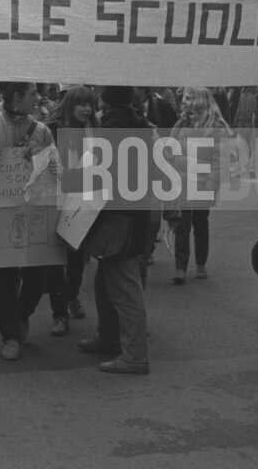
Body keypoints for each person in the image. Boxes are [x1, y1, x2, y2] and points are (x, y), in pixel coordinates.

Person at [0, 81, 63, 362]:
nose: (38, 97)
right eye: (33, 93)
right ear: (17, 96)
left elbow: (56, 171)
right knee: (4, 277)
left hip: (35, 213)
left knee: (38, 275)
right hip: (0, 217)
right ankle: (9, 334)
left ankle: (21, 315)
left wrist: (43, 159)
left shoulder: (42, 131)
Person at [75, 86, 151, 375]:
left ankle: (134, 355)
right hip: (132, 214)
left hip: (118, 218)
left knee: (125, 288)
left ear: (104, 100)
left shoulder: (112, 126)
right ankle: (109, 338)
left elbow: (102, 173)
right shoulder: (135, 122)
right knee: (106, 282)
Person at [45, 85, 99, 322]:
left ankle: (72, 295)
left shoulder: (92, 132)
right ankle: (60, 314)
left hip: (82, 201)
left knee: (77, 260)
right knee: (56, 261)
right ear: (70, 105)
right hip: (54, 200)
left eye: (90, 104)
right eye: (82, 104)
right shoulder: (52, 130)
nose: (87, 109)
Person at [169, 87, 229, 284]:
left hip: (203, 184)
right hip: (182, 183)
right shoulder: (182, 123)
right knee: (182, 225)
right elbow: (170, 148)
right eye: (184, 98)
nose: (184, 101)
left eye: (189, 97)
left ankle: (201, 262)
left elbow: (220, 160)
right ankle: (180, 267)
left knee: (200, 224)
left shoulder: (215, 127)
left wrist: (211, 185)